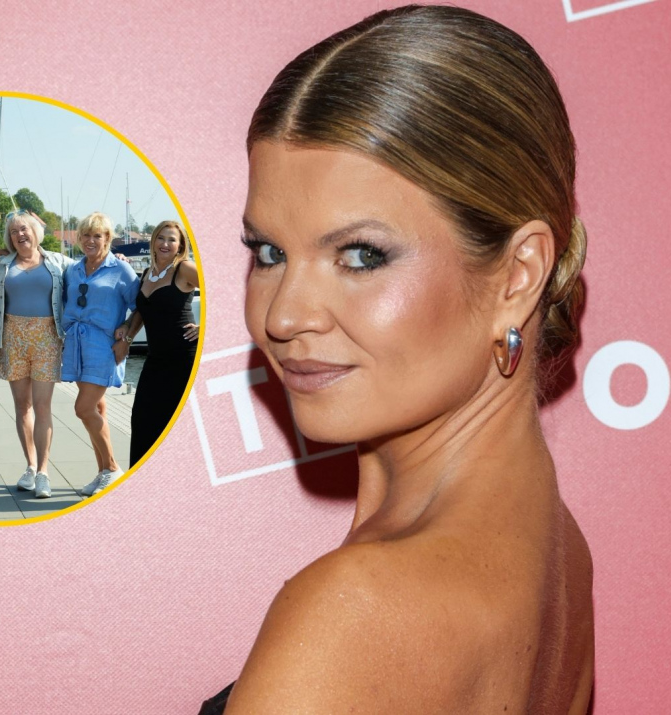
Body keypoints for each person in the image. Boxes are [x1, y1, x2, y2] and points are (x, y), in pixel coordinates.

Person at [207, 6, 593, 714]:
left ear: (517, 276)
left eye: (360, 255)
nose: (283, 316)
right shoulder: (558, 552)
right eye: (269, 252)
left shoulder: (354, 612)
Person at [0, 210, 78, 499]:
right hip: (13, 337)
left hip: (47, 338)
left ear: (36, 232)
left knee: (42, 406)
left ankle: (43, 472)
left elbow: (90, 267)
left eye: (24, 229)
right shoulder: (1, 264)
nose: (20, 234)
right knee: (22, 406)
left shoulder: (58, 261)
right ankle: (29, 465)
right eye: (14, 231)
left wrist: (118, 258)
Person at [60, 211, 139, 496]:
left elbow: (139, 308)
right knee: (97, 409)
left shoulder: (122, 270)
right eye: (86, 235)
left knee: (83, 409)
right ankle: (103, 472)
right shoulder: (73, 270)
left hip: (104, 347)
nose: (90, 240)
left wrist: (126, 336)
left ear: (107, 238)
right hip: (77, 346)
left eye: (97, 235)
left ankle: (113, 468)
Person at [118, 220, 199, 466]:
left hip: (184, 360)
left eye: (172, 239)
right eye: (161, 238)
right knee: (142, 420)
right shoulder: (146, 274)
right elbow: (143, 312)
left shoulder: (184, 269)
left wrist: (206, 327)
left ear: (180, 246)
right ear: (153, 241)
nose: (165, 243)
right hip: (155, 361)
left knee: (176, 429)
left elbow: (225, 292)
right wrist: (127, 331)